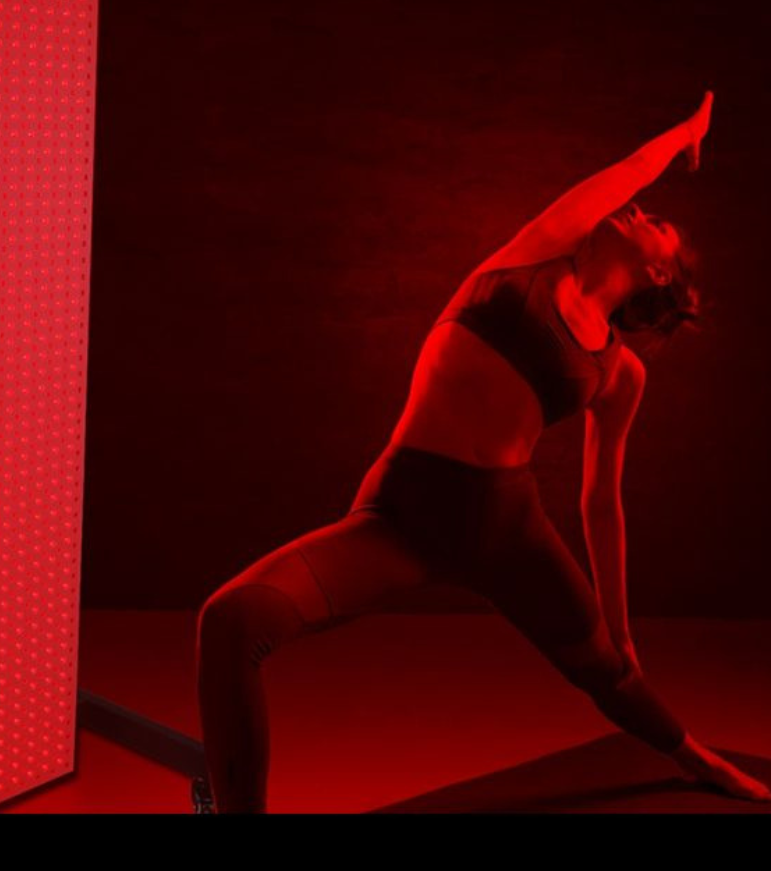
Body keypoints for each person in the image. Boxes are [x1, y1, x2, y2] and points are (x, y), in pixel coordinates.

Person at [193, 90, 771, 814]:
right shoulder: (538, 253)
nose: (640, 210)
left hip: (506, 531)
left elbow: (601, 501)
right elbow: (629, 170)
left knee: (609, 679)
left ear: (659, 273)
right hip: (400, 517)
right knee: (230, 621)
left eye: (658, 225)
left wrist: (622, 632)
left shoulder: (622, 374)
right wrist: (688, 132)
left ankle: (698, 759)